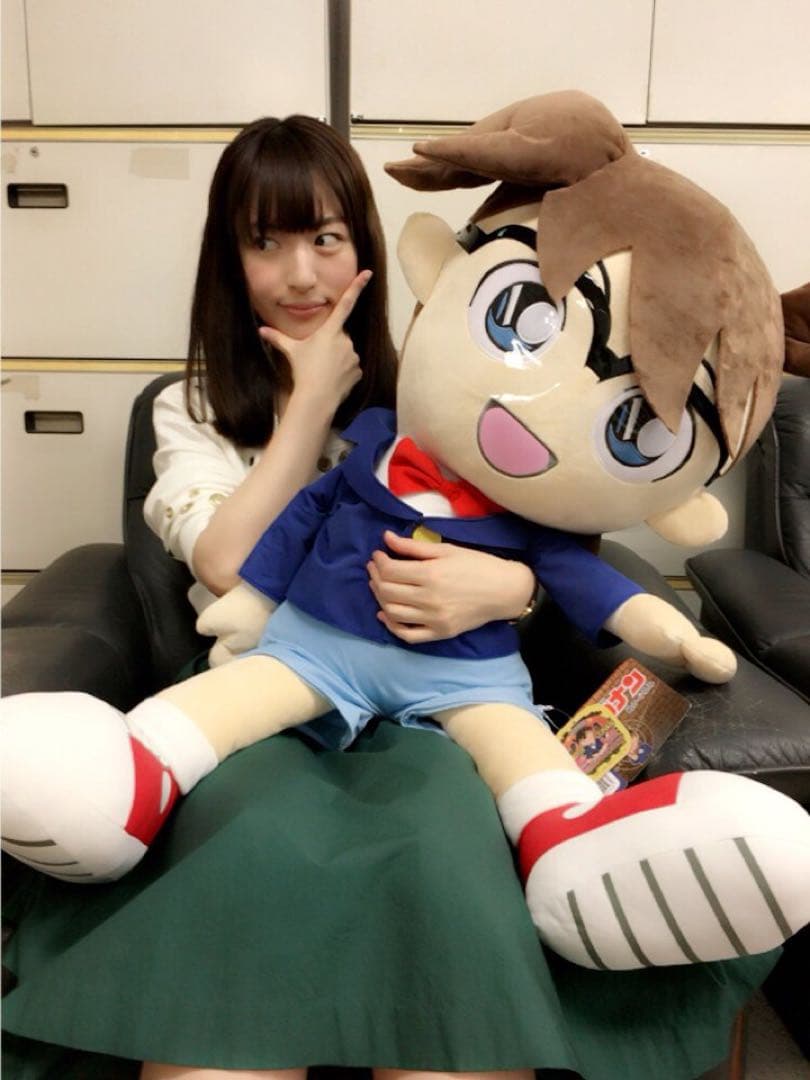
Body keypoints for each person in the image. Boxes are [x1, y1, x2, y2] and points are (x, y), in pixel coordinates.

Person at [0, 115, 778, 1080]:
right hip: (261, 707)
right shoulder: (191, 410)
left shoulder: (454, 383)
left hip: (441, 719)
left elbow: (558, 536)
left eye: (325, 238)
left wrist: (513, 588)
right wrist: (309, 405)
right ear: (228, 261)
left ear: (365, 249)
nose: (300, 275)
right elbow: (228, 563)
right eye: (265, 242)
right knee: (238, 923)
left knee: (443, 901)